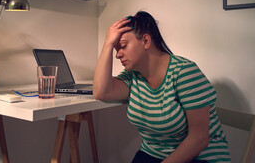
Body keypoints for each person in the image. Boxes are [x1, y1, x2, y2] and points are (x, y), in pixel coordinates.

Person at [93, 11, 231, 163]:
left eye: (123, 46)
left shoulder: (184, 72)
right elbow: (101, 92)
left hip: (201, 157)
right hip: (153, 154)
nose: (118, 54)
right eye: (115, 48)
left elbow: (199, 139)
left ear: (146, 41)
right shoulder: (133, 76)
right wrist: (107, 44)